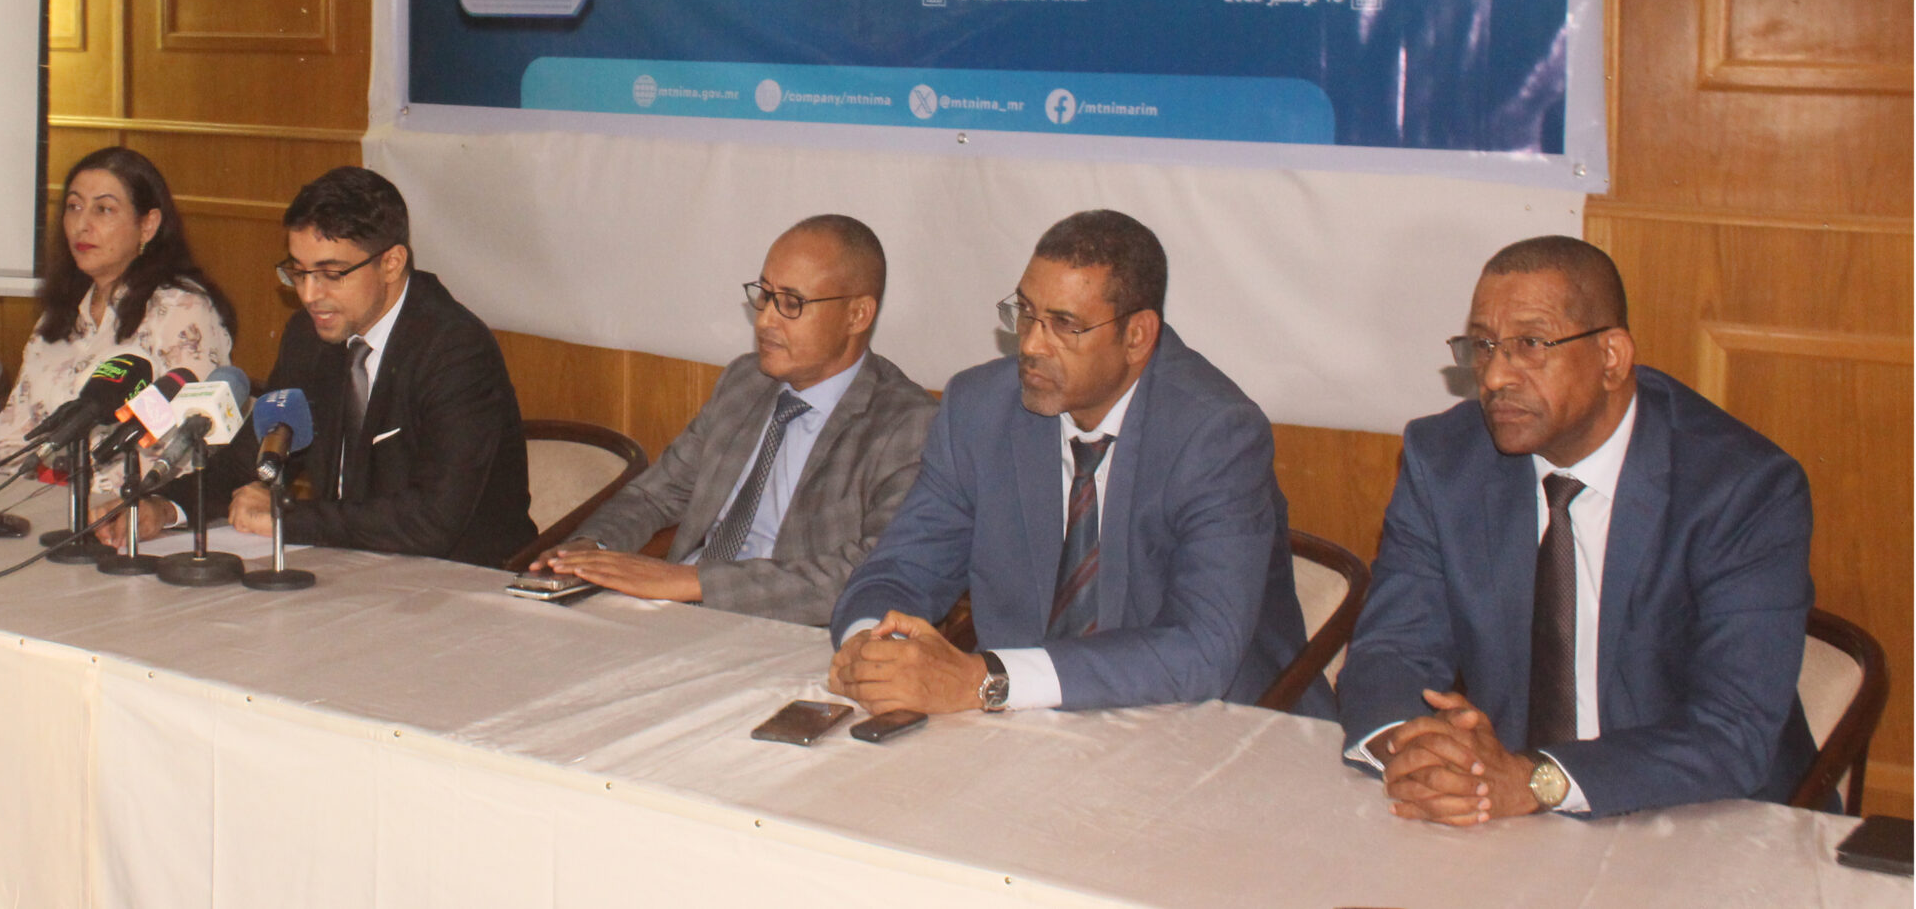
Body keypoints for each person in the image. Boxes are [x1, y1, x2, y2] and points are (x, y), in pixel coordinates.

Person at [1336, 236, 1816, 823]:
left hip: (1705, 817)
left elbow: (1731, 730)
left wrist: (1538, 780)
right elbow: (1392, 651)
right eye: (1483, 346)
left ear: (1611, 357)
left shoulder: (1740, 488)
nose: (1494, 377)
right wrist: (1420, 753)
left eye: (1530, 345)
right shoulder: (1445, 461)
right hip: (1509, 815)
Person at [826, 210, 1317, 716]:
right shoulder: (980, 409)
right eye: (1025, 313)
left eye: (1064, 325)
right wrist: (873, 648)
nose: (1031, 345)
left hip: (1211, 725)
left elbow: (1202, 649)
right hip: (1028, 728)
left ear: (1137, 336)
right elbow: (901, 570)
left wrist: (987, 679)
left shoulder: (1215, 435)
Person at [122, 166, 534, 567]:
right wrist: (165, 507)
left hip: (461, 578)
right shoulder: (309, 337)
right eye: (298, 272)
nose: (308, 294)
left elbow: (433, 519)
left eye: (331, 274)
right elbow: (249, 460)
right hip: (346, 566)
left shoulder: (454, 350)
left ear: (391, 263)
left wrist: (286, 518)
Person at [534, 215, 936, 624]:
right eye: (764, 295)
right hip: (673, 613)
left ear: (857, 315)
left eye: (791, 303)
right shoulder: (745, 382)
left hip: (781, 628)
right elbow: (655, 495)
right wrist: (591, 548)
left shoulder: (907, 424)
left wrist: (695, 582)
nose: (765, 320)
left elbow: (875, 571)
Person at [0, 147, 235, 468]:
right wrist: (24, 477)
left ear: (148, 225)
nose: (81, 224)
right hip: (39, 491)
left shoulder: (182, 312)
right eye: (74, 207)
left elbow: (186, 451)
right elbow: (8, 434)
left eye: (104, 210)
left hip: (132, 496)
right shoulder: (60, 314)